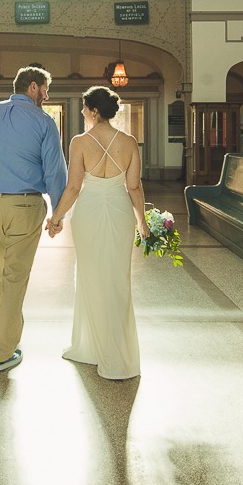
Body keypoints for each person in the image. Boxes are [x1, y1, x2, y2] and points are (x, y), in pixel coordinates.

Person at [0, 66, 68, 373]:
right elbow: (54, 172)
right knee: (15, 276)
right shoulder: (44, 122)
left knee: (1, 270)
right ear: (33, 87)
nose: (47, 97)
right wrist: (57, 213)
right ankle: (1, 351)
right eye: (45, 90)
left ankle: (10, 333)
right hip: (25, 205)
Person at [46, 85, 148, 380]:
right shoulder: (129, 142)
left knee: (91, 276)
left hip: (88, 212)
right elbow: (134, 187)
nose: (81, 112)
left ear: (94, 111)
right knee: (117, 279)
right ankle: (118, 355)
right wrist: (141, 221)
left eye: (84, 107)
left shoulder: (79, 142)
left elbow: (75, 187)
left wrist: (56, 217)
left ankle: (90, 347)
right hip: (118, 211)